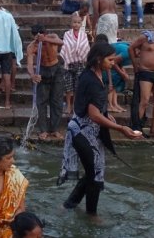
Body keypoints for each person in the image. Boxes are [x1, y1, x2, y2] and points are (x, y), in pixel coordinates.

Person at [60, 43, 143, 217]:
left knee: (93, 173)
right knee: (94, 174)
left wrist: (106, 114)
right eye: (110, 60)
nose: (113, 63)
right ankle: (92, 214)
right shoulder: (91, 80)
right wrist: (121, 128)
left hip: (88, 131)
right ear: (99, 60)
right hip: (82, 133)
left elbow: (96, 108)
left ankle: (69, 205)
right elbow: (93, 115)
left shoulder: (94, 73)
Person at [129, 23, 154, 139]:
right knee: (144, 101)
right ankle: (136, 129)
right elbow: (131, 48)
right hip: (145, 73)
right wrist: (135, 65)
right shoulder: (145, 38)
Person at [26, 25, 65, 141]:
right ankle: (43, 130)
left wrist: (45, 39)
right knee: (41, 102)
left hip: (56, 69)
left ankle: (54, 129)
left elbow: (61, 42)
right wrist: (32, 75)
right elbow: (29, 64)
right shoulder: (32, 46)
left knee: (57, 101)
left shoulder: (52, 37)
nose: (39, 39)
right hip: (42, 71)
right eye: (36, 37)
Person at [60, 14, 89, 116]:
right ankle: (68, 105)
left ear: (81, 24)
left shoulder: (84, 35)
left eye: (78, 22)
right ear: (71, 23)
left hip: (80, 63)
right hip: (69, 63)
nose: (76, 24)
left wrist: (78, 50)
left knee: (78, 87)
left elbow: (85, 47)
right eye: (74, 22)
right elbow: (66, 46)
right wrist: (74, 49)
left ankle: (75, 105)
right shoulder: (67, 34)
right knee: (68, 87)